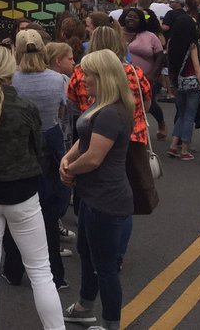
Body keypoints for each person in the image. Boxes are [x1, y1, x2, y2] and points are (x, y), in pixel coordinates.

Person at [0, 44, 64, 330]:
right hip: (22, 193)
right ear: (11, 71)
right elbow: (37, 147)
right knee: (41, 272)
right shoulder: (25, 107)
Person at [59, 50, 135, 330]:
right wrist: (67, 159)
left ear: (103, 76)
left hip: (107, 199)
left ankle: (110, 323)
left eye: (88, 74)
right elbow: (84, 140)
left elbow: (93, 158)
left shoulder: (111, 113)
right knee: (87, 253)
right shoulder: (99, 106)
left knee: (105, 266)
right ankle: (84, 306)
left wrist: (69, 169)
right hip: (92, 195)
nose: (83, 79)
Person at [2, 28, 69, 290]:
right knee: (48, 214)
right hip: (49, 147)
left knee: (15, 211)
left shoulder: (10, 81)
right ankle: (55, 274)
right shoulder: (58, 79)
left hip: (17, 147)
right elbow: (62, 114)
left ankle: (13, 269)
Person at [163, 0, 200, 161]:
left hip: (177, 80)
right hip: (192, 82)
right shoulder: (192, 45)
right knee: (189, 116)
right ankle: (184, 149)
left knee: (181, 114)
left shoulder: (172, 43)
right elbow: (197, 67)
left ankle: (173, 145)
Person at [121, 6, 166, 141]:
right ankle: (129, 132)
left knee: (149, 104)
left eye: (135, 17)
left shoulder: (150, 36)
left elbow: (160, 56)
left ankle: (161, 123)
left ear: (141, 20)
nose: (131, 19)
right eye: (129, 16)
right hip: (122, 78)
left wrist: (153, 75)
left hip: (147, 78)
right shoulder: (117, 33)